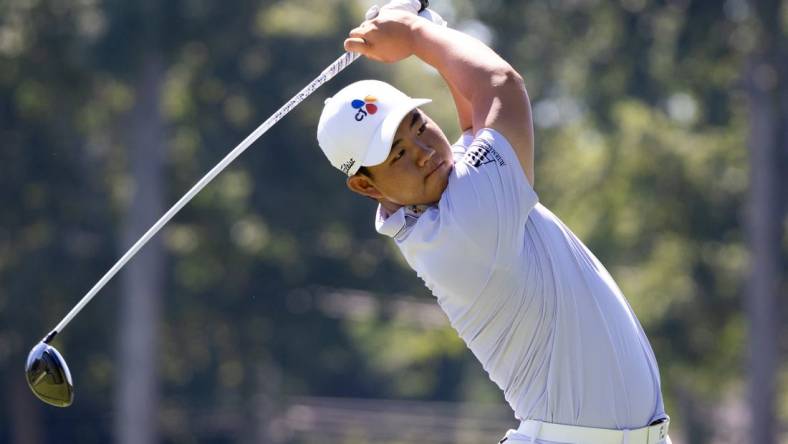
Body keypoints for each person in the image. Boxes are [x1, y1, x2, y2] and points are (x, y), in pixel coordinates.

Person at [316, 3, 671, 443]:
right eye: (398, 155)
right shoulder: (462, 227)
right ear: (367, 187)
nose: (424, 151)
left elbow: (473, 117)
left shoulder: (443, 196)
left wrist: (431, 27)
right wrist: (411, 32)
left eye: (419, 126)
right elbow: (500, 86)